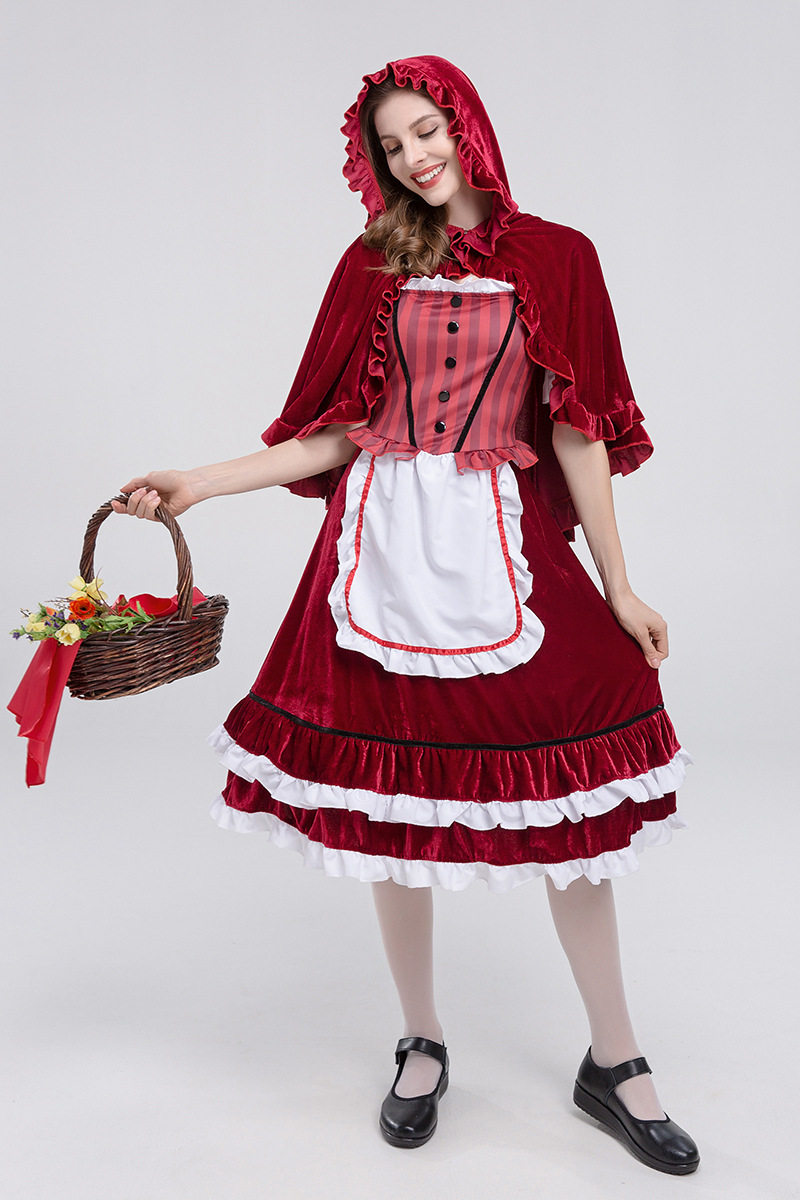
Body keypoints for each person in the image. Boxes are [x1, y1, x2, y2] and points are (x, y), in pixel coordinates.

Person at [111, 55, 700, 1174]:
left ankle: (615, 1059)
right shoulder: (373, 263)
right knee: (391, 798)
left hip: (504, 547)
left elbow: (575, 428)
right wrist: (200, 482)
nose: (415, 156)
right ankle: (421, 1042)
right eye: (392, 145)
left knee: (570, 806)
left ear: (466, 123)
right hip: (375, 554)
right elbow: (337, 433)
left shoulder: (559, 258)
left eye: (427, 130)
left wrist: (618, 584)